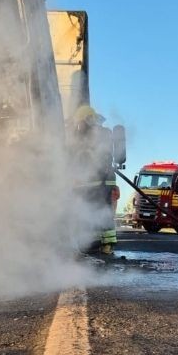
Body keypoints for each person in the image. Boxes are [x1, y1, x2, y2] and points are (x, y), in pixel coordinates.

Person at [70, 105, 119, 253]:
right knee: (99, 212)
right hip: (98, 181)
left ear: (86, 120)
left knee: (98, 212)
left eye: (80, 122)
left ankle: (102, 245)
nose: (78, 126)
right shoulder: (103, 133)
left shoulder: (90, 135)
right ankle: (101, 245)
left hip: (95, 181)